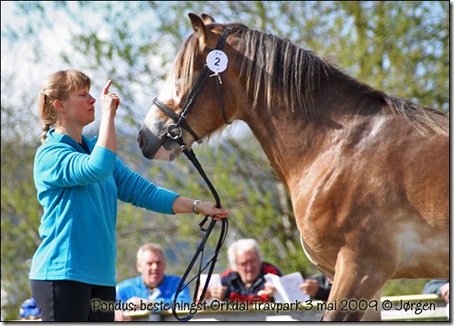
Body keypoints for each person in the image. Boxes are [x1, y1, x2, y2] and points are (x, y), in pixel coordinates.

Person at [29, 69, 228, 322]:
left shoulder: (94, 149)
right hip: (61, 276)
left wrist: (198, 206)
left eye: (91, 94)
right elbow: (96, 168)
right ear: (59, 105)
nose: (93, 100)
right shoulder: (50, 154)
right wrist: (109, 116)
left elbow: (143, 191)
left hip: (101, 278)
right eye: (83, 95)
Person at [115, 243, 191, 321]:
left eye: (158, 263)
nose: (155, 267)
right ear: (139, 266)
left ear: (164, 264)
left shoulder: (176, 285)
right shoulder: (126, 288)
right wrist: (115, 313)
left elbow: (184, 304)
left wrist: (149, 304)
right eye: (150, 263)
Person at [204, 238, 282, 303]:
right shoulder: (227, 278)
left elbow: (258, 302)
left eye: (253, 261)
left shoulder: (272, 274)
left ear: (259, 259)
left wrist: (229, 296)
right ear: (235, 265)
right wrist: (205, 297)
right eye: (243, 263)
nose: (249, 267)